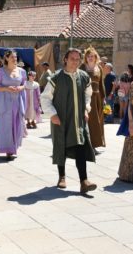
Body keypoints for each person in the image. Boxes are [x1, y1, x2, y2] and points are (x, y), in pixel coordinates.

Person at [41, 48, 98, 194]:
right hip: (61, 119)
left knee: (80, 146)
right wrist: (52, 114)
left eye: (78, 59)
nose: (75, 62)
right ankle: (62, 176)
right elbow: (45, 98)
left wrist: (86, 109)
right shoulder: (56, 78)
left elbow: (88, 95)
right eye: (72, 59)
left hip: (78, 119)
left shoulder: (84, 77)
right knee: (61, 146)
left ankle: (84, 181)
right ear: (65, 59)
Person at [0, 51, 27, 160]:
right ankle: (7, 149)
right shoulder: (0, 72)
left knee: (16, 124)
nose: (14, 59)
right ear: (6, 58)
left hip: (17, 101)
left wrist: (21, 87)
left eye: (15, 57)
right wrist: (7, 88)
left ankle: (13, 147)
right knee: (6, 125)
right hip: (5, 102)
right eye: (12, 57)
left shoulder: (22, 71)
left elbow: (24, 84)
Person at [79, 47, 106, 150]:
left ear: (95, 57)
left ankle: (95, 145)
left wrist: (103, 98)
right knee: (89, 121)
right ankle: (87, 145)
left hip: (97, 98)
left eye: (92, 56)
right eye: (88, 56)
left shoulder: (99, 68)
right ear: (85, 58)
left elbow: (101, 84)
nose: (90, 58)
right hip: (86, 97)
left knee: (97, 122)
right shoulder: (82, 67)